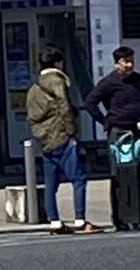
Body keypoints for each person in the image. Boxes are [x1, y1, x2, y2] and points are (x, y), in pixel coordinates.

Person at [26, 47, 96, 235]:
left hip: (45, 139)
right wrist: (72, 131)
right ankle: (80, 219)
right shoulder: (57, 82)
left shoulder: (34, 87)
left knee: (51, 183)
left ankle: (54, 221)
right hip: (62, 136)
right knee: (79, 179)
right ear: (58, 63)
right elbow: (64, 108)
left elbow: (32, 116)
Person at [84, 45, 140, 230]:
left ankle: (135, 216)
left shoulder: (138, 80)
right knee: (120, 175)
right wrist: (105, 121)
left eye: (131, 60)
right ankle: (120, 218)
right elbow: (90, 102)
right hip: (119, 132)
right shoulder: (109, 82)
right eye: (125, 62)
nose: (130, 65)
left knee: (136, 173)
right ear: (117, 63)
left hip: (136, 130)